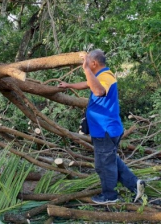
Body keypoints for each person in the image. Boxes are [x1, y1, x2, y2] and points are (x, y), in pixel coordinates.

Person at [58, 49, 145, 204]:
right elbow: (88, 84)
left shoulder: (105, 77)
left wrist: (85, 69)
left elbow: (98, 90)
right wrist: (69, 85)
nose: (85, 64)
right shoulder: (101, 75)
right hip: (106, 129)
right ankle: (135, 184)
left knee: (103, 165)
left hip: (105, 130)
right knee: (111, 160)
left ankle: (109, 196)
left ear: (93, 63)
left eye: (87, 62)